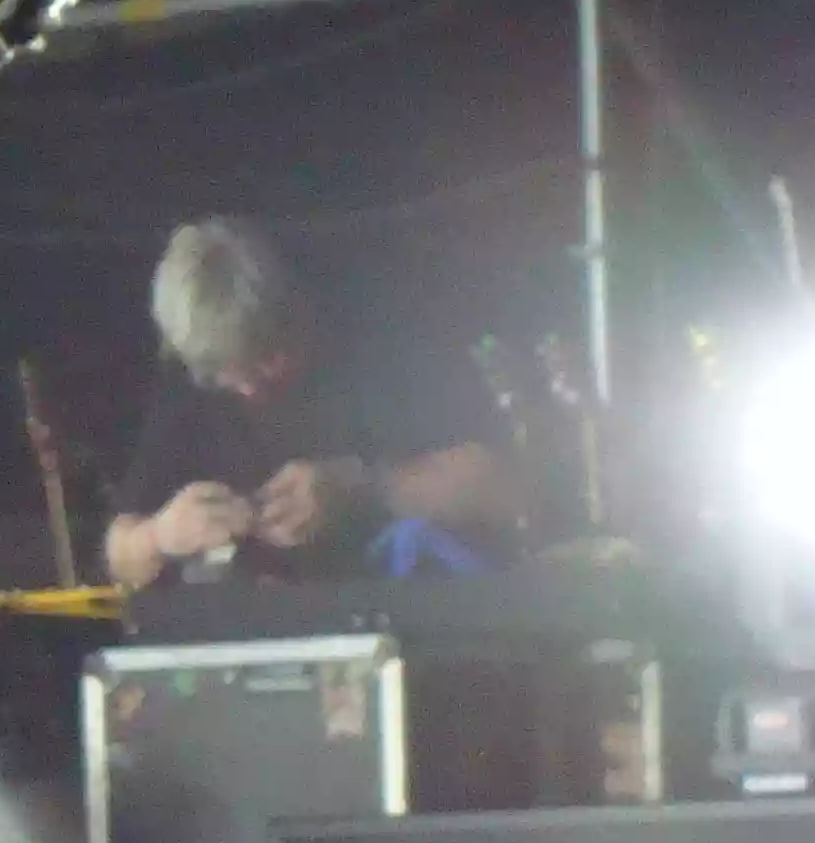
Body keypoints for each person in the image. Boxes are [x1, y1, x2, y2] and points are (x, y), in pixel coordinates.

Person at [104, 217, 520, 593]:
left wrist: (362, 487)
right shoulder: (190, 385)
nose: (249, 389)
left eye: (265, 361)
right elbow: (119, 554)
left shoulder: (387, 341)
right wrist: (159, 536)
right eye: (224, 375)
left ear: (294, 314)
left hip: (411, 609)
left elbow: (505, 486)